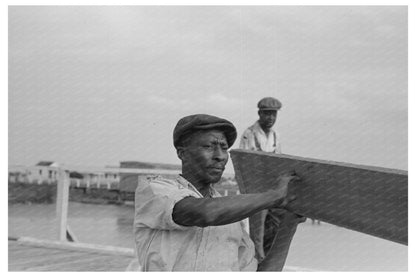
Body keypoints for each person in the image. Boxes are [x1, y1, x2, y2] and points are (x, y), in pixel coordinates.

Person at [133, 114, 300, 271]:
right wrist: (274, 196)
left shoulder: (233, 220)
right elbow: (205, 213)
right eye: (208, 147)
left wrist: (289, 223)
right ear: (182, 153)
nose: (220, 156)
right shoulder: (155, 190)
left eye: (224, 148)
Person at [240, 97, 304, 271]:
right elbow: (247, 163)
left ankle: (268, 260)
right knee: (257, 231)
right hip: (256, 190)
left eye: (273, 114)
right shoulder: (249, 133)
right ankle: (256, 263)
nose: (270, 118)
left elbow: (278, 162)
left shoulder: (275, 135)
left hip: (271, 189)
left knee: (278, 221)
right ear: (260, 113)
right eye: (267, 114)